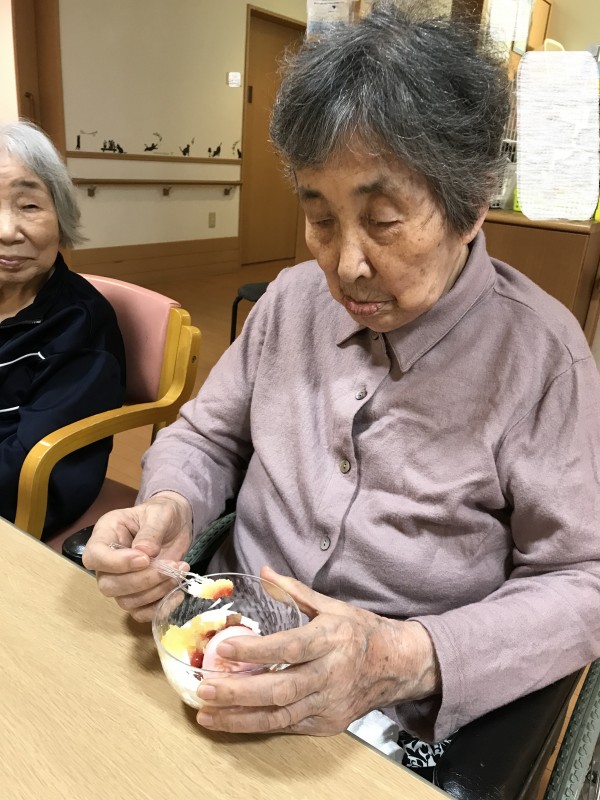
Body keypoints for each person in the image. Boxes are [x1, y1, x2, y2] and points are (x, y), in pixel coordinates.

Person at [83, 0, 600, 775]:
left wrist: (401, 656)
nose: (345, 265)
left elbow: (582, 578)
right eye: (320, 218)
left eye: (383, 220)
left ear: (471, 205)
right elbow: (206, 436)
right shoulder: (289, 302)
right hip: (226, 639)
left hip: (401, 708)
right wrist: (171, 504)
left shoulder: (542, 358)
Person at [0, 120, 126, 538]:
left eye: (29, 206)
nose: (7, 231)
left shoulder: (80, 325)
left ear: (61, 215)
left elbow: (29, 467)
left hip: (24, 505)